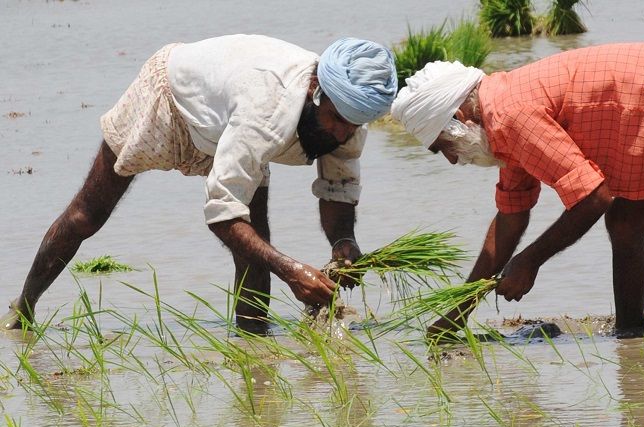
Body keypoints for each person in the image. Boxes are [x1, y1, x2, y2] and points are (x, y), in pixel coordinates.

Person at [1, 34, 397, 335]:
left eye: (354, 124)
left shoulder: (347, 122)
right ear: (316, 93)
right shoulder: (267, 111)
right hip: (168, 99)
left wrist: (343, 242)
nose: (343, 133)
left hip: (228, 121)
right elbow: (223, 215)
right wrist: (291, 271)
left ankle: (252, 345)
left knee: (257, 237)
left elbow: (338, 189)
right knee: (89, 213)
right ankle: (25, 308)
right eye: (336, 119)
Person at [391, 42, 644, 347]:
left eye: (444, 147)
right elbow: (510, 217)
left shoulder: (509, 114)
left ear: (459, 116)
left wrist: (530, 260)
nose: (454, 160)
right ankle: (630, 338)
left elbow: (594, 197)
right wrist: (455, 315)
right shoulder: (501, 122)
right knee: (625, 225)